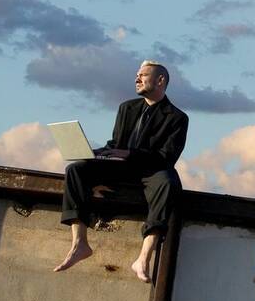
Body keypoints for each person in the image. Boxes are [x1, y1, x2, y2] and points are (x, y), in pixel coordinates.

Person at [53, 60, 188, 281]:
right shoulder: (127, 108)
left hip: (151, 171)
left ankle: (144, 257)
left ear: (160, 80)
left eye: (143, 75)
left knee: (168, 182)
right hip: (119, 167)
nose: (137, 79)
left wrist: (131, 155)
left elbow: (167, 157)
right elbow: (115, 143)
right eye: (137, 75)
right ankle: (80, 243)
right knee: (76, 169)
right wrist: (93, 152)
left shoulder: (178, 117)